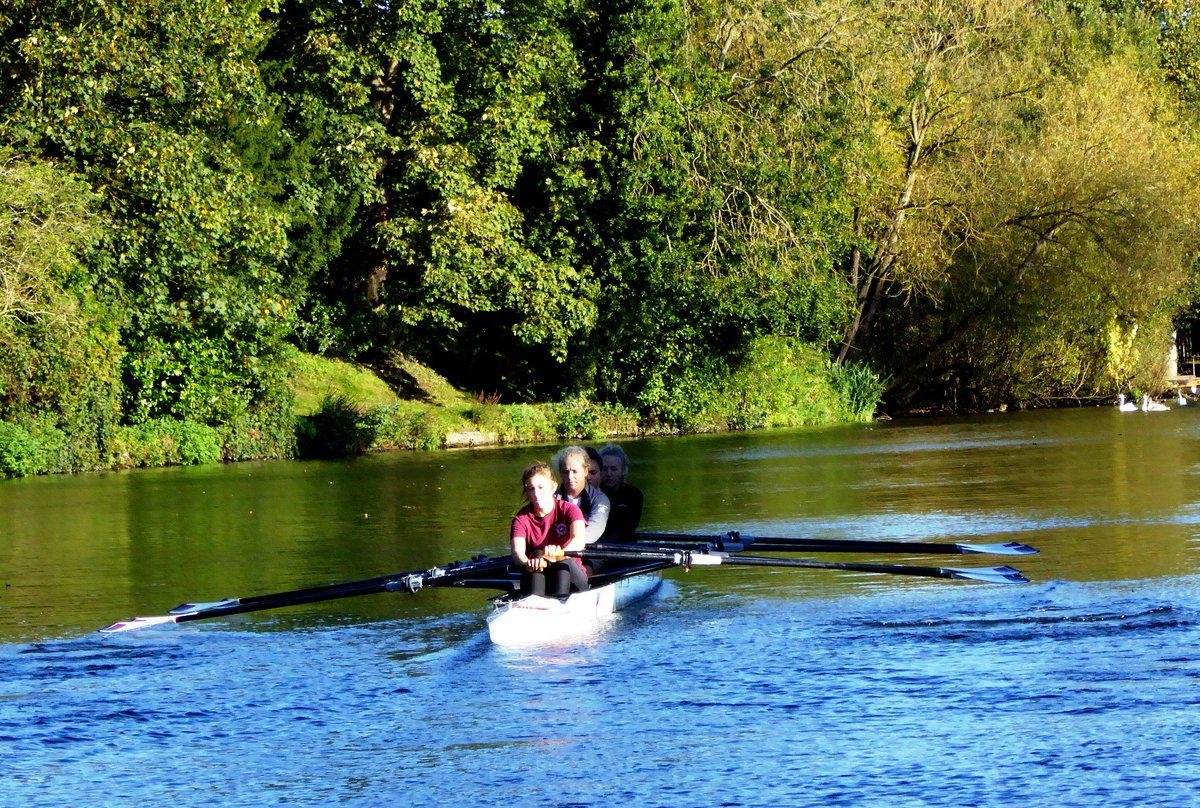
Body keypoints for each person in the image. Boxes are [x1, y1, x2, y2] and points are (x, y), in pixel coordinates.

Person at [510, 461, 588, 597]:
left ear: (553, 487)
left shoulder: (570, 509)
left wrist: (560, 554)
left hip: (571, 575)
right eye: (531, 489)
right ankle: (535, 602)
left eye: (541, 487)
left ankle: (558, 600)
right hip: (539, 575)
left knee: (561, 562)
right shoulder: (520, 519)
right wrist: (529, 563)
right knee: (537, 555)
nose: (536, 493)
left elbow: (579, 540)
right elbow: (517, 552)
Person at [554, 445, 610, 544]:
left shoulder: (600, 499)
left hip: (588, 549)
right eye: (565, 472)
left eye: (575, 472)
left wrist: (571, 546)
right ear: (560, 473)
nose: (570, 477)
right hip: (557, 549)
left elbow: (596, 528)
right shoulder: (551, 497)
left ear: (585, 471)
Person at [599, 443, 643, 541]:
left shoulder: (634, 494)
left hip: (625, 545)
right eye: (604, 469)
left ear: (623, 470)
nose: (609, 474)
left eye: (614, 469)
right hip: (598, 544)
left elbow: (629, 526)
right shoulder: (593, 494)